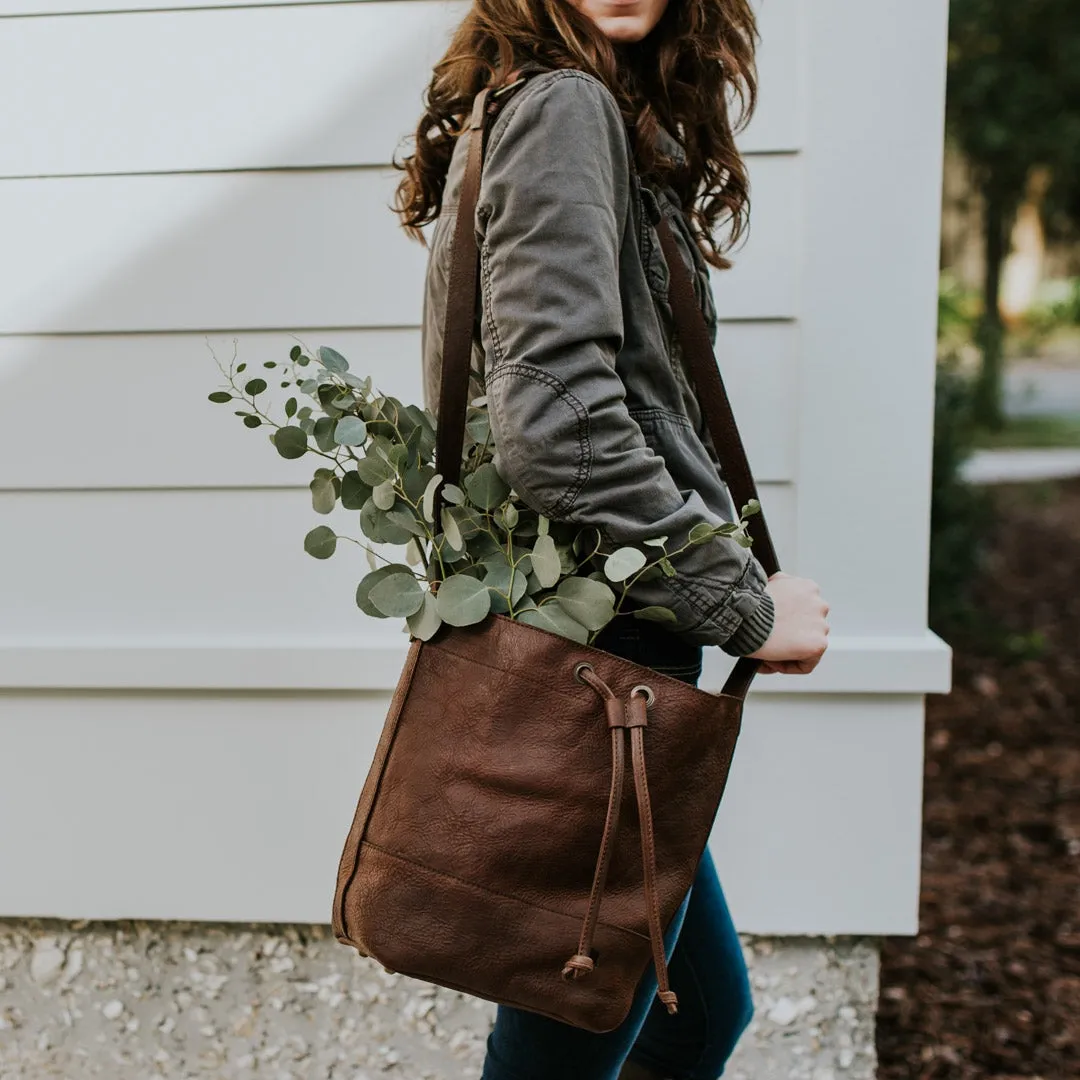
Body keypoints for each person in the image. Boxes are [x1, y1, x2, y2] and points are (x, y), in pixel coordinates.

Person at [398, 0, 830, 1076]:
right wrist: (747, 606)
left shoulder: (557, 110)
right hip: (608, 658)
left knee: (691, 1022)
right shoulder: (566, 107)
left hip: (604, 647)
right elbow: (560, 426)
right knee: (577, 1040)